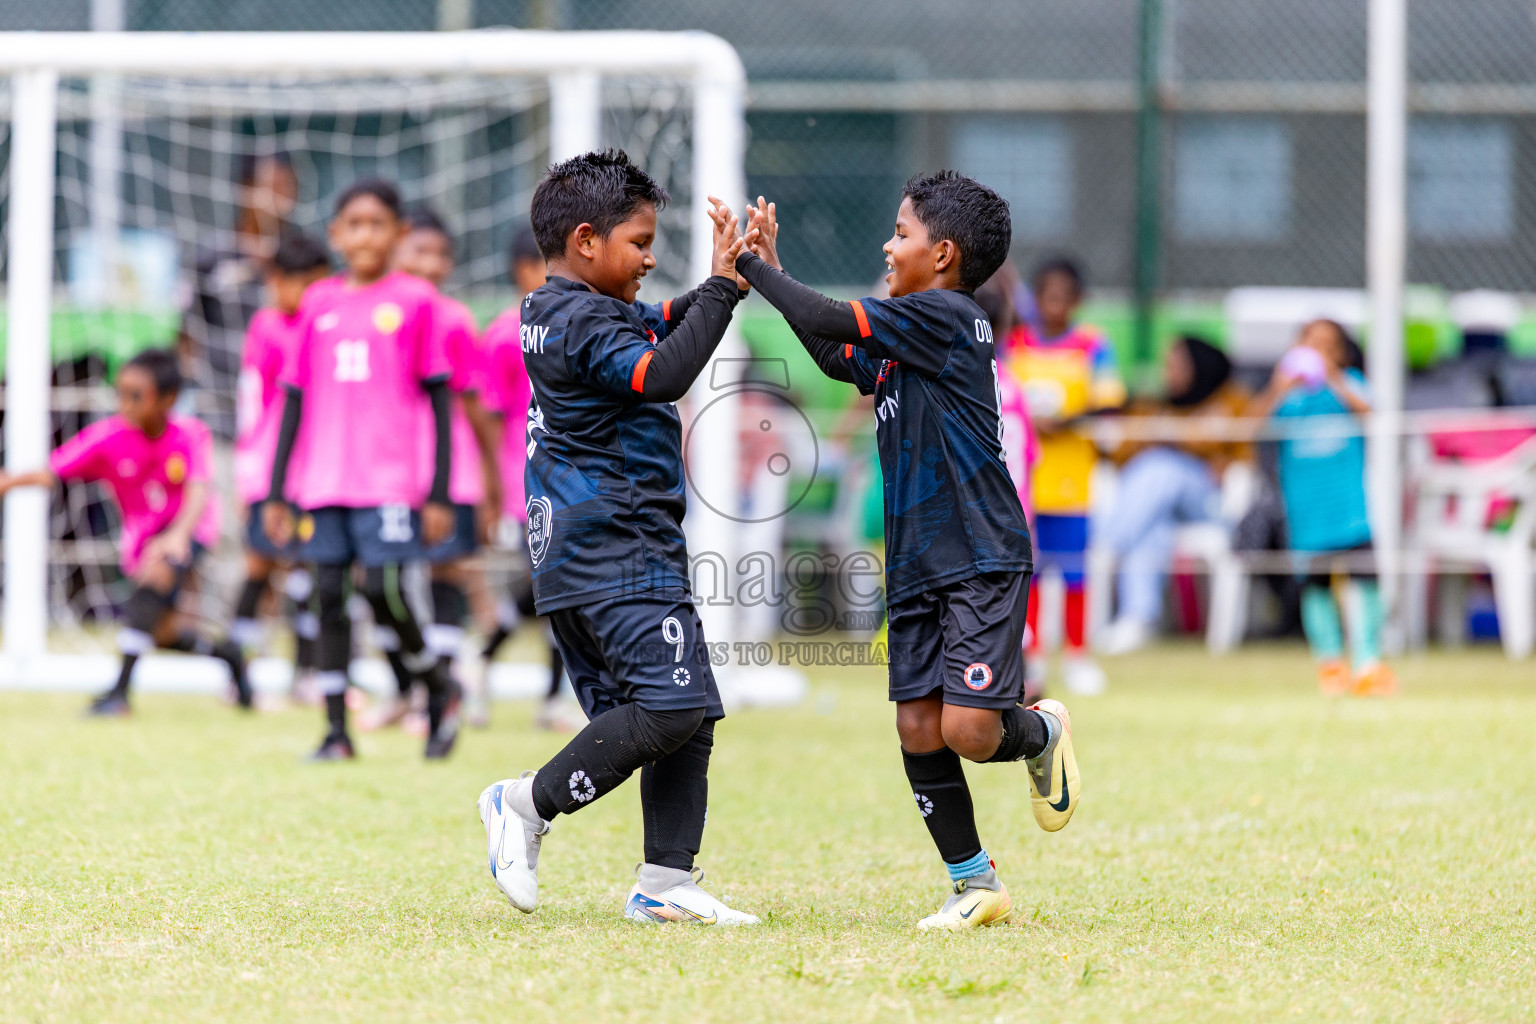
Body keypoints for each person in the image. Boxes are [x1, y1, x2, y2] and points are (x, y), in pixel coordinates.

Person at [732, 173, 1081, 930]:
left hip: (980, 556)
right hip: (917, 563)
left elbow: (831, 315)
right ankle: (974, 883)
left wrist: (752, 267)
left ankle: (1041, 731)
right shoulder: (904, 338)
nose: (888, 247)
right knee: (918, 728)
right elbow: (836, 353)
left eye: (900, 233)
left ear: (943, 254)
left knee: (969, 731)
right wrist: (775, 272)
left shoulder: (949, 316)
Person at [475, 150, 758, 926]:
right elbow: (661, 373)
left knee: (688, 711)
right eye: (640, 243)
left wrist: (723, 281)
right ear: (586, 240)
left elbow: (661, 323)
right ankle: (523, 805)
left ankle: (665, 883)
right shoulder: (583, 320)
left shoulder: (560, 310)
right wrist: (723, 291)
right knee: (669, 708)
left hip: (592, 550)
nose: (650, 258)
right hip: (614, 547)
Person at [262, 178, 462, 760]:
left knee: (384, 590)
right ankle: (335, 732)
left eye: (377, 224)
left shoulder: (416, 301)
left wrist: (439, 493)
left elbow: (441, 403)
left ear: (400, 233)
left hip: (389, 483)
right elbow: (293, 400)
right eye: (354, 224)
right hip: (322, 482)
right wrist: (277, 491)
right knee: (327, 595)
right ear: (336, 235)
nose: (365, 235)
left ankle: (437, 686)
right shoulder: (317, 302)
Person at [0, 349, 250, 715]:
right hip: (142, 540)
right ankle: (227, 654)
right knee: (161, 634)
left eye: (135, 395)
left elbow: (199, 490)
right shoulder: (108, 437)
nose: (124, 404)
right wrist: (9, 482)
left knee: (154, 577)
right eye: (119, 393)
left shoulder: (190, 434)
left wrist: (178, 536)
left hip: (188, 531)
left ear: (168, 399)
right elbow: (52, 471)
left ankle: (119, 694)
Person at [358, 207, 502, 733]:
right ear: (396, 250)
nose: (431, 263)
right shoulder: (370, 312)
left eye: (441, 254)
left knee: (446, 577)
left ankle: (437, 699)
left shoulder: (454, 319)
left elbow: (473, 405)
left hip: (448, 470)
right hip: (386, 471)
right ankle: (405, 688)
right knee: (374, 581)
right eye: (420, 250)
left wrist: (491, 479)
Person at [1248, 319, 1395, 697]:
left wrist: (1334, 378)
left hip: (1350, 509)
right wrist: (1277, 389)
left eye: (1326, 346)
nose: (1317, 352)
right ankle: (1329, 663)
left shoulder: (1349, 384)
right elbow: (1250, 424)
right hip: (1306, 512)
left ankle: (1368, 661)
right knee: (1315, 586)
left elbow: (1370, 411)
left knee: (1365, 579)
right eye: (1310, 344)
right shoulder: (1288, 397)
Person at [477, 225, 580, 731]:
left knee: (556, 591)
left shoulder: (576, 324)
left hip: (570, 482)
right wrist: (492, 490)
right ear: (525, 269)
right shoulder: (503, 334)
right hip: (527, 487)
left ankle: (482, 656)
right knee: (554, 590)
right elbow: (489, 418)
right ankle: (547, 695)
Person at [1006, 257, 1125, 696]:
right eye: (1047, 297)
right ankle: (1033, 656)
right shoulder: (1015, 344)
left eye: (1063, 298)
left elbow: (1109, 402)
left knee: (1074, 572)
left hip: (1073, 479)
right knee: (1030, 573)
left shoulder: (1092, 345)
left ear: (1077, 301)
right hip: (1025, 483)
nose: (1054, 306)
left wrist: (1065, 422)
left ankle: (1078, 655)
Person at [1097, 336, 1252, 654]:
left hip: (1208, 502)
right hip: (1156, 503)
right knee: (1151, 524)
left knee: (1162, 468)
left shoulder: (1231, 400)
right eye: (1167, 365)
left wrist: (1182, 441)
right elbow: (1120, 456)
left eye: (1177, 365)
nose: (1169, 373)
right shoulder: (1151, 405)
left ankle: (1104, 546)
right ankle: (1139, 618)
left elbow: (1248, 456)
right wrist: (1154, 440)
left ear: (1200, 366)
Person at [229, 233, 332, 703]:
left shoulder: (326, 324)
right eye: (303, 285)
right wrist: (246, 472)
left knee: (308, 572)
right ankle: (237, 674)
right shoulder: (267, 327)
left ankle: (306, 674)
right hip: (270, 470)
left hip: (315, 471)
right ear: (277, 281)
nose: (311, 295)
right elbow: (251, 402)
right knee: (260, 566)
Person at [178, 152, 300, 440]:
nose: (281, 199)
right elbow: (186, 335)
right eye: (272, 188)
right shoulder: (212, 255)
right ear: (246, 189)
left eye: (288, 189)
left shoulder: (300, 257)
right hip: (218, 409)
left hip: (280, 412)